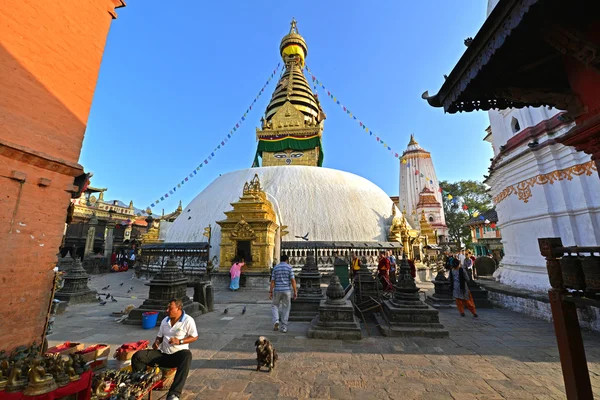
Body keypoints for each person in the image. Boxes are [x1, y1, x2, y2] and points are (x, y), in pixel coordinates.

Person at [132, 299, 198, 400]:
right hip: (162, 354)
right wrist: (157, 342)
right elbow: (160, 336)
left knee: (187, 356)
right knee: (138, 356)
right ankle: (142, 383)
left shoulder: (188, 320)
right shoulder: (165, 321)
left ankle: (174, 393)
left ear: (178, 308)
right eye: (167, 308)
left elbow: (194, 337)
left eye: (170, 308)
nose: (167, 310)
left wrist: (179, 341)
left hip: (177, 355)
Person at [269, 254, 297, 333]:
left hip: (277, 290)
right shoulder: (289, 268)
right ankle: (284, 326)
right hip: (286, 291)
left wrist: (270, 291)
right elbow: (293, 280)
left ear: (280, 260)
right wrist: (295, 291)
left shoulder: (276, 268)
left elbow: (273, 281)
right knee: (286, 308)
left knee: (274, 306)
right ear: (287, 260)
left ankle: (276, 321)